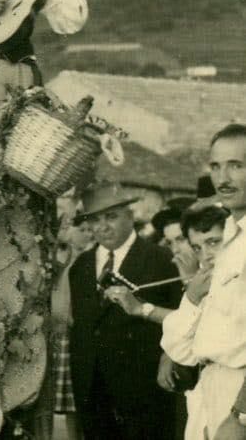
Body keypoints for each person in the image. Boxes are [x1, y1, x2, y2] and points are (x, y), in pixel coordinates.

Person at [66, 182, 182, 440]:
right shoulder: (81, 266)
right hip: (92, 389)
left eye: (111, 216)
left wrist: (169, 355)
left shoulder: (161, 259)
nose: (103, 226)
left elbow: (182, 318)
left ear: (131, 216)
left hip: (144, 389)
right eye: (95, 220)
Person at [157, 125, 246, 440]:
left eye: (236, 165)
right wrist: (191, 299)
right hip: (209, 392)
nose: (223, 178)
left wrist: (241, 416)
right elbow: (181, 350)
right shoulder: (229, 240)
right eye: (216, 166)